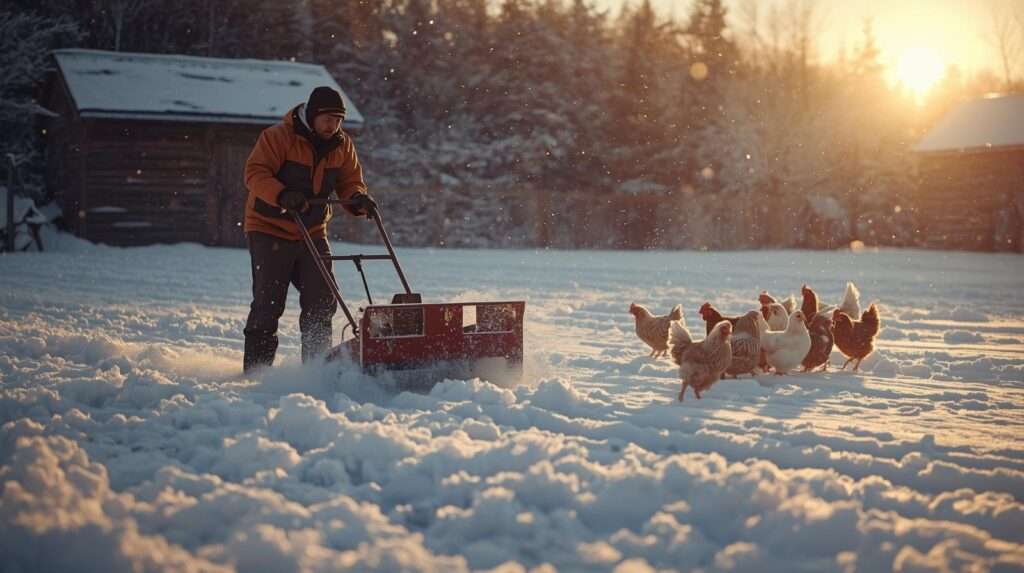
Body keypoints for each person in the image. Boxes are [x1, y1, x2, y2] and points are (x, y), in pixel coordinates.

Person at [242, 86, 376, 372]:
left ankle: (316, 371)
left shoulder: (342, 144)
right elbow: (255, 173)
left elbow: (350, 181)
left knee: (322, 299)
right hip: (269, 227)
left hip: (312, 230)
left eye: (338, 120)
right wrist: (282, 194)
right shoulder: (278, 137)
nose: (333, 126)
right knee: (268, 302)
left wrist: (358, 199)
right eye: (327, 119)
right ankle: (256, 373)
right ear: (313, 116)